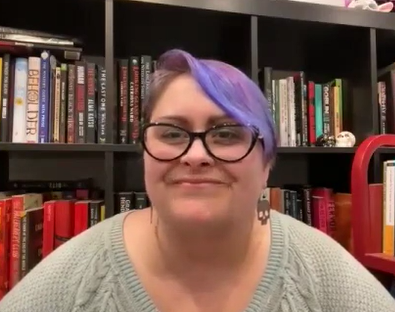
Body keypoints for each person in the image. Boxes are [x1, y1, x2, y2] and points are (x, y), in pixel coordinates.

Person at [0, 49, 394, 312]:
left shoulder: (323, 273)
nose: (195, 155)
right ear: (144, 153)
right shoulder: (76, 276)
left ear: (267, 162)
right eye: (172, 133)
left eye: (226, 134)